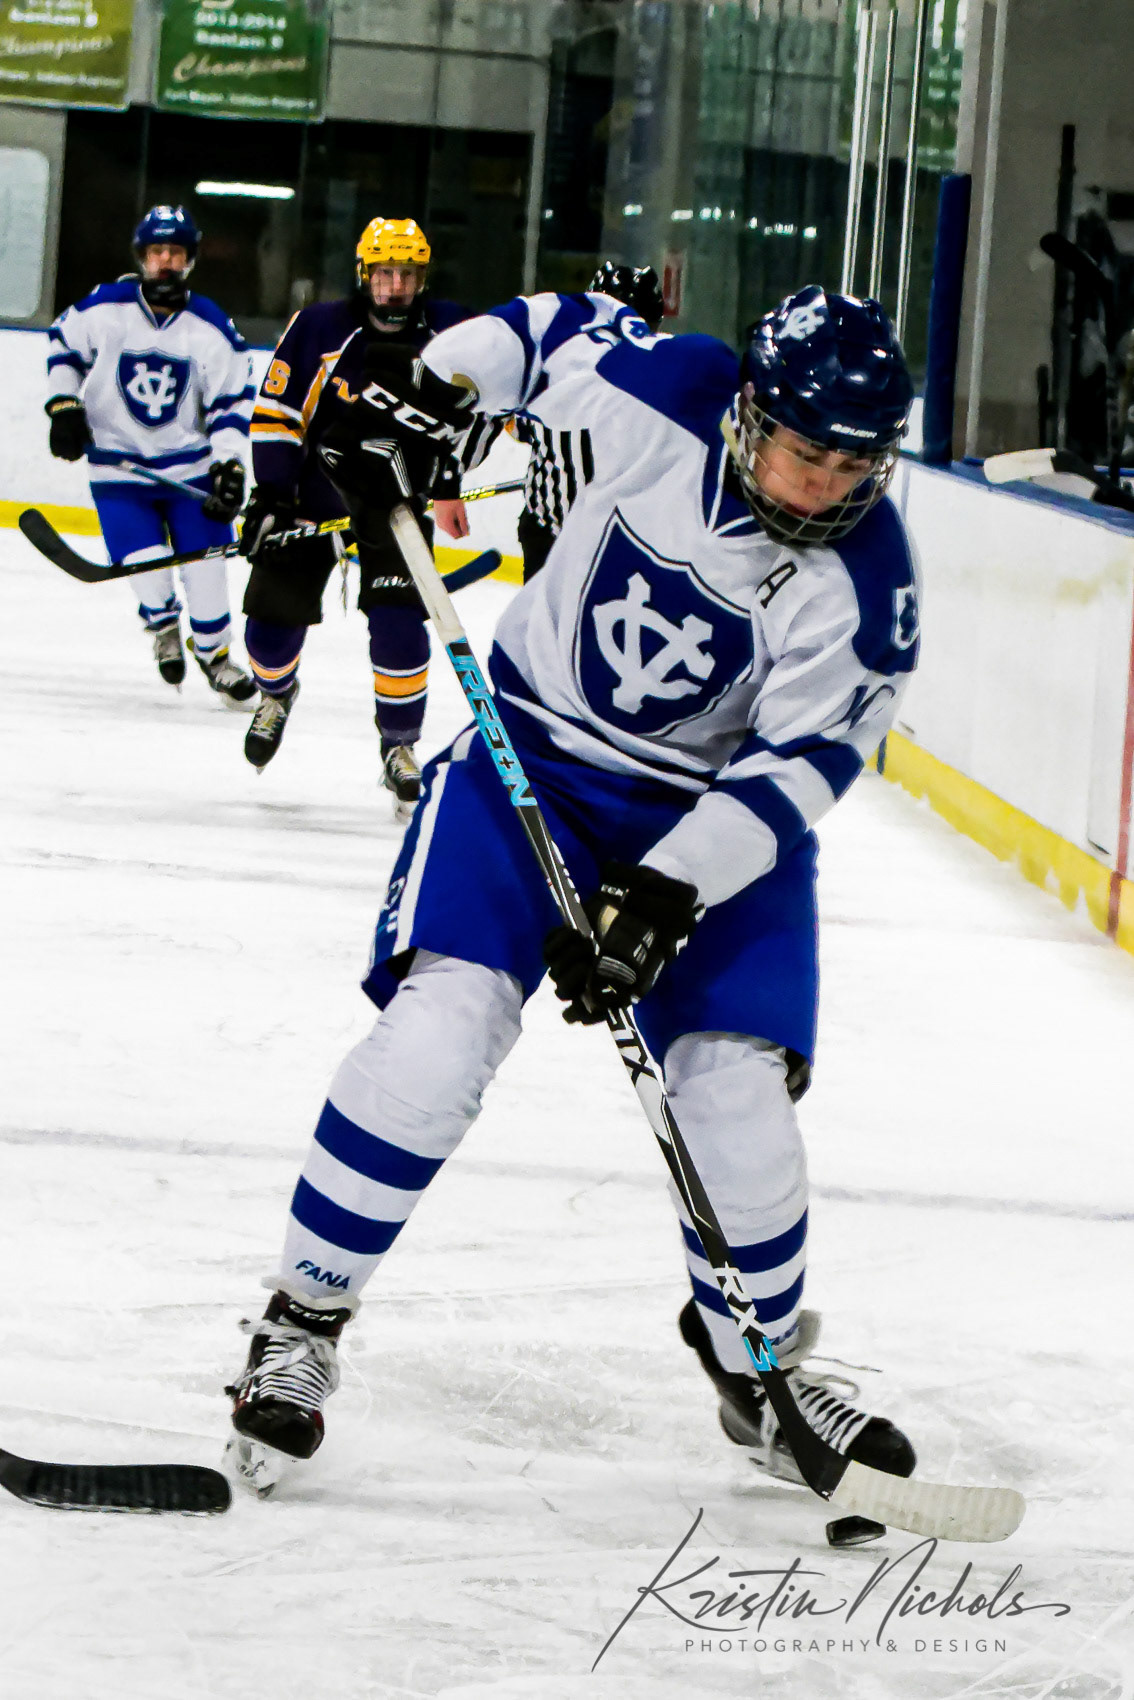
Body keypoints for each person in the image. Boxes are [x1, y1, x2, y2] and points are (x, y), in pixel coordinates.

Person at [225, 284, 921, 1500]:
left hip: (708, 823)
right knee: (440, 1031)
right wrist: (435, 394)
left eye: (853, 464)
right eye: (804, 454)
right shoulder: (675, 388)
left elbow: (802, 766)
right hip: (530, 760)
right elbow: (543, 334)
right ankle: (300, 1321)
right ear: (752, 412)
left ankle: (757, 1366)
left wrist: (662, 895)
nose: (823, 487)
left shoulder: (871, 585)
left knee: (736, 1093)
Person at [239, 216, 476, 818]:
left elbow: (481, 411)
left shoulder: (451, 330)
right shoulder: (319, 327)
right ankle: (275, 693)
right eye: (385, 274)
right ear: (363, 274)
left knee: (400, 626)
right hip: (312, 495)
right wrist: (273, 495)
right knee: (268, 624)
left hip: (395, 500)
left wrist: (447, 480)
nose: (396, 288)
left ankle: (399, 744)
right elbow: (277, 412)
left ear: (423, 278)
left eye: (408, 275)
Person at [46, 204, 256, 705]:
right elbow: (63, 347)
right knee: (146, 561)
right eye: (157, 251)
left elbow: (230, 406)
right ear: (141, 256)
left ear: (190, 260)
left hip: (190, 469)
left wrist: (228, 466)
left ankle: (215, 656)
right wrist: (63, 405)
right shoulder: (104, 307)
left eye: (176, 252)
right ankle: (163, 626)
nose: (166, 261)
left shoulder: (211, 326)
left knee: (206, 567)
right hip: (118, 467)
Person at [511, 262, 666, 582]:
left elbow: (516, 425)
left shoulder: (665, 384)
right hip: (551, 537)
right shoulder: (558, 367)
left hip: (622, 545)